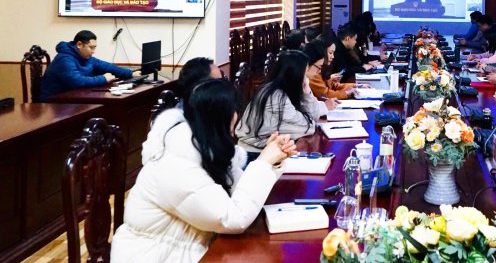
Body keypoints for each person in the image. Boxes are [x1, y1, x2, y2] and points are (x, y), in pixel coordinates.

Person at [110, 79, 297, 263]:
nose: (236, 117)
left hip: (189, 250)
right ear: (220, 118)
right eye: (233, 111)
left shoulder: (206, 149)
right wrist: (263, 162)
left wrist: (272, 161)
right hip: (154, 256)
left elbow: (238, 194)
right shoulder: (177, 165)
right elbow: (232, 219)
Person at [236, 50, 331, 147]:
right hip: (253, 151)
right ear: (295, 74)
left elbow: (312, 118)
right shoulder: (276, 97)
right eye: (305, 74)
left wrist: (307, 93)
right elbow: (308, 127)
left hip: (267, 147)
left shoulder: (284, 90)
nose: (306, 79)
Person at [40, 30, 137, 101]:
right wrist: (103, 78)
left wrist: (131, 73)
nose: (93, 51)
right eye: (91, 47)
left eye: (95, 48)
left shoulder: (85, 57)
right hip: (53, 102)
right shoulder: (64, 59)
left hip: (71, 97)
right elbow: (77, 81)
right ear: (79, 45)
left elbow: (107, 66)